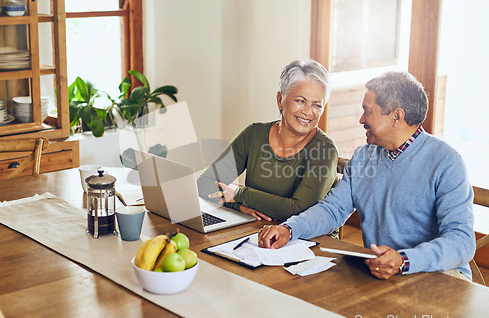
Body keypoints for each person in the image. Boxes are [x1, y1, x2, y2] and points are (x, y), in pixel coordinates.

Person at [258, 71, 476, 281]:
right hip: (381, 273)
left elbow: (462, 242)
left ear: (396, 116)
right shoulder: (364, 156)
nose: (361, 119)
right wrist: (289, 229)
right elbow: (332, 209)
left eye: (367, 111)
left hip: (438, 277)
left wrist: (403, 261)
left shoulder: (446, 162)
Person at [197, 60, 338, 224]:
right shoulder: (253, 134)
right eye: (300, 101)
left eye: (317, 105)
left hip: (308, 240)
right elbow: (204, 184)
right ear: (280, 99)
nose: (308, 112)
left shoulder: (325, 150)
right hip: (255, 230)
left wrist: (239, 194)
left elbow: (299, 210)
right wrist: (239, 206)